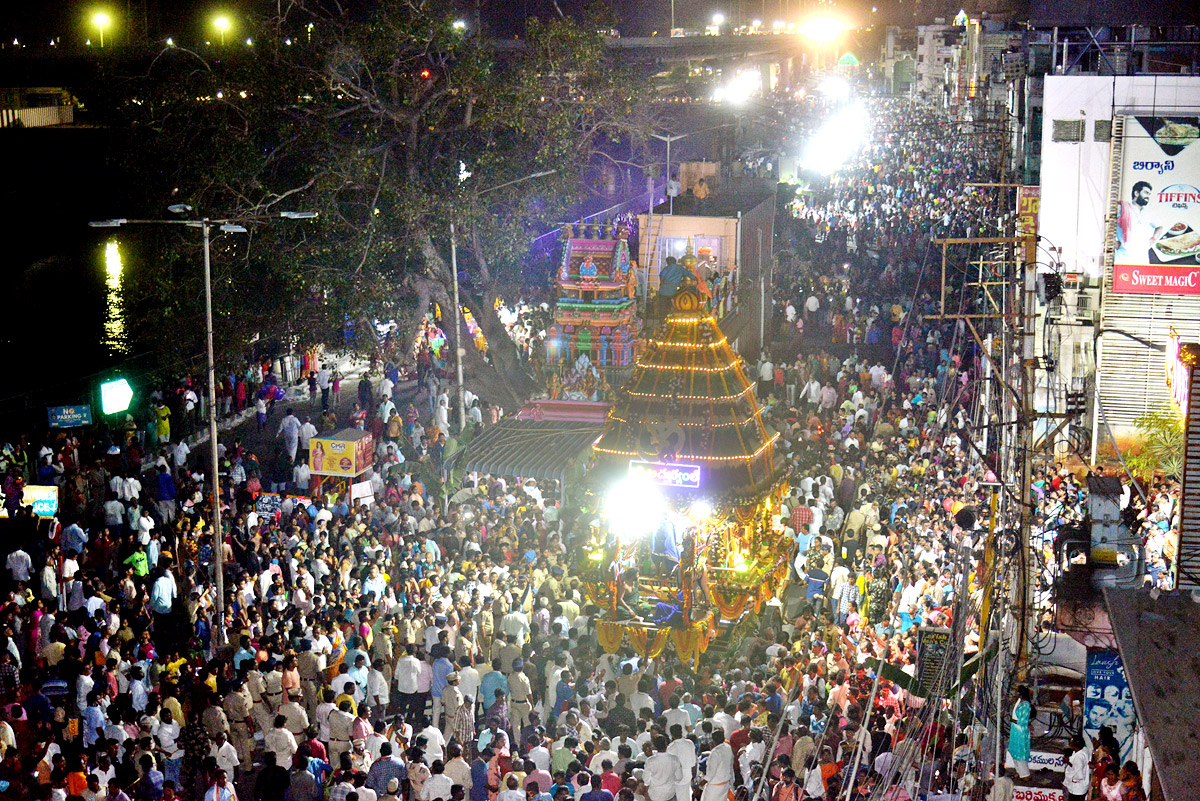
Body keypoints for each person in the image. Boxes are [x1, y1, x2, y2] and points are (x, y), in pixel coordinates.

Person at [1008, 686, 1033, 779]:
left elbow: (1022, 721)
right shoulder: (1019, 702)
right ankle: (1019, 772)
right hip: (1015, 730)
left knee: (1020, 753)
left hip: (1020, 731)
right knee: (1014, 750)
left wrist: (1013, 720)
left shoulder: (1026, 704)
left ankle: (1025, 774)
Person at [1063, 735, 1089, 801]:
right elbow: (1076, 766)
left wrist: (1072, 780)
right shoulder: (1083, 751)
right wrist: (1069, 762)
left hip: (1076, 789)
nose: (1070, 743)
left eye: (1071, 742)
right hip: (1079, 788)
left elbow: (1079, 775)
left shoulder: (1079, 757)